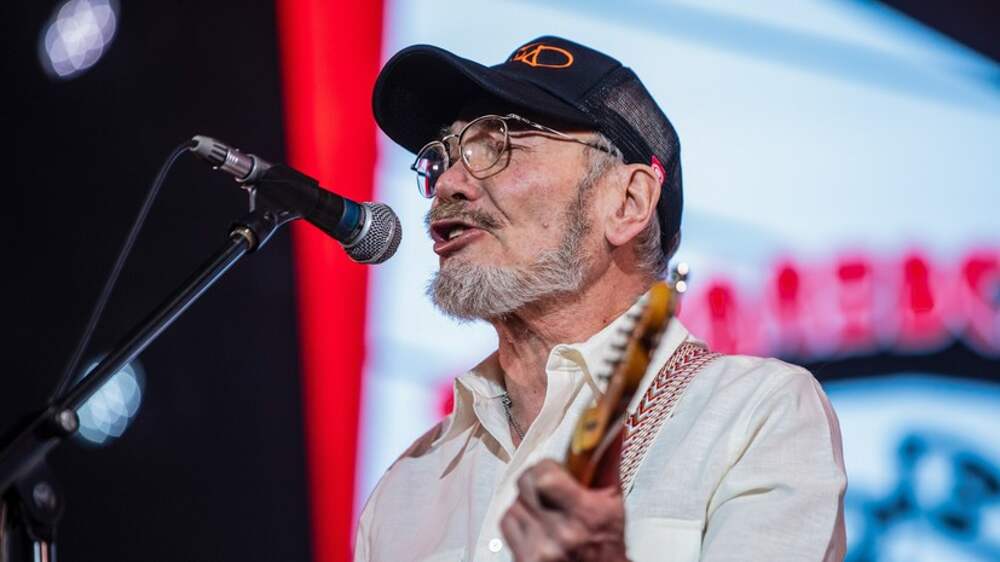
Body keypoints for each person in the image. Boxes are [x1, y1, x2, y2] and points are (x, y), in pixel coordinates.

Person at [355, 36, 847, 562]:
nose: (448, 183)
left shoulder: (755, 415)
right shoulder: (408, 487)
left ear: (628, 202)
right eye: (444, 156)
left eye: (499, 142)